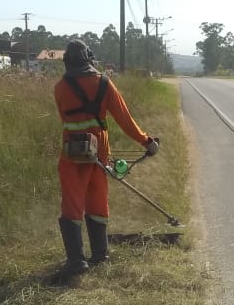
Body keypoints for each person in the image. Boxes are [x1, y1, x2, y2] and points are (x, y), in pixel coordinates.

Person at [54, 40, 159, 277]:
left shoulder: (60, 87)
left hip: (72, 152)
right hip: (99, 150)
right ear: (89, 58)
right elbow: (125, 119)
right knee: (97, 201)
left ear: (67, 62)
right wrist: (147, 141)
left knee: (72, 204)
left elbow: (65, 117)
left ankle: (76, 261)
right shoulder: (103, 83)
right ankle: (100, 254)